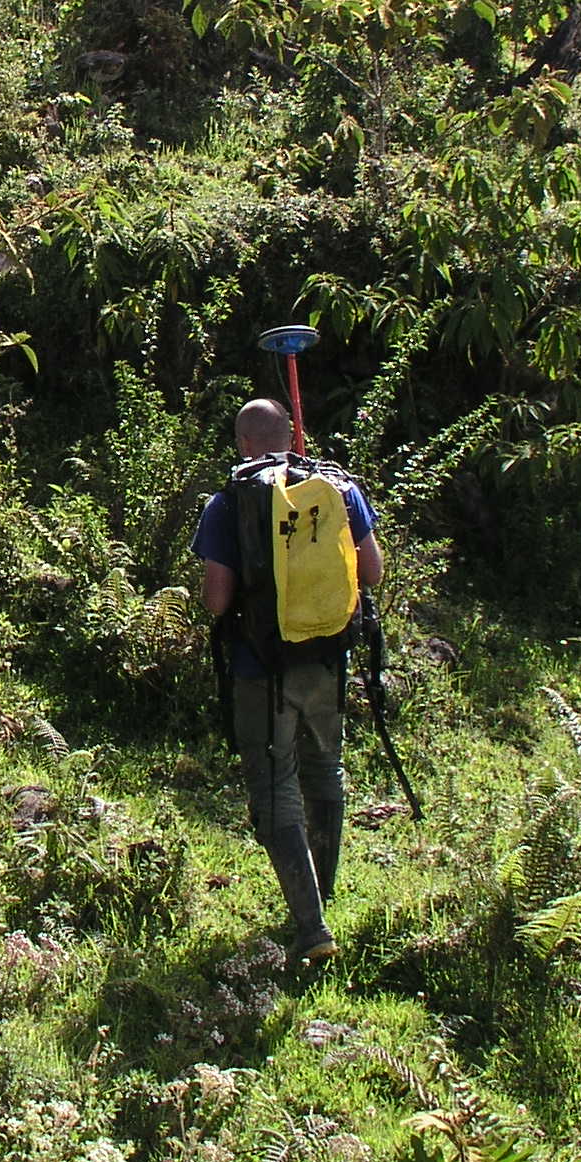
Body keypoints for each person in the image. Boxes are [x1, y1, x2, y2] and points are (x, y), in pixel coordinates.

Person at [192, 397, 383, 964]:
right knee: (325, 768)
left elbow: (217, 599)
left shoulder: (230, 501)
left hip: (262, 669)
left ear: (244, 443)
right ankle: (323, 896)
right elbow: (372, 572)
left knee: (275, 786)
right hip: (327, 659)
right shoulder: (338, 489)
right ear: (293, 436)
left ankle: (311, 927)